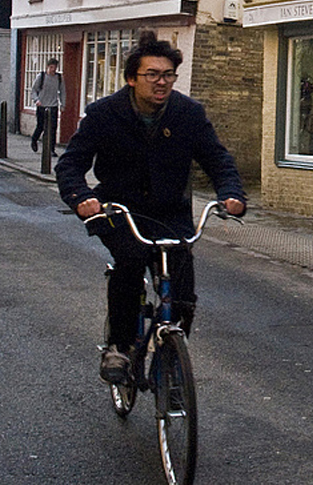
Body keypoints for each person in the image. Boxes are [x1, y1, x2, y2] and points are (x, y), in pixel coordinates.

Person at [56, 30, 247, 385]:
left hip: (171, 214)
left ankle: (171, 355)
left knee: (184, 295)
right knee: (129, 263)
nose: (162, 83)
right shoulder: (103, 114)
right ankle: (121, 346)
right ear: (132, 78)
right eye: (153, 75)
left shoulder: (188, 114)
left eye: (168, 75)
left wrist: (231, 193)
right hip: (119, 212)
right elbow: (70, 165)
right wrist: (81, 197)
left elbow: (217, 158)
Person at [30, 58, 63, 153]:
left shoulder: (59, 78)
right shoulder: (41, 77)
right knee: (41, 126)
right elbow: (33, 90)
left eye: (55, 67)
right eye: (51, 67)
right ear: (47, 67)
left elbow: (62, 91)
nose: (53, 69)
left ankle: (51, 149)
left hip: (53, 105)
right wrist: (36, 100)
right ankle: (34, 140)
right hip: (42, 105)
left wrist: (62, 104)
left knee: (52, 128)